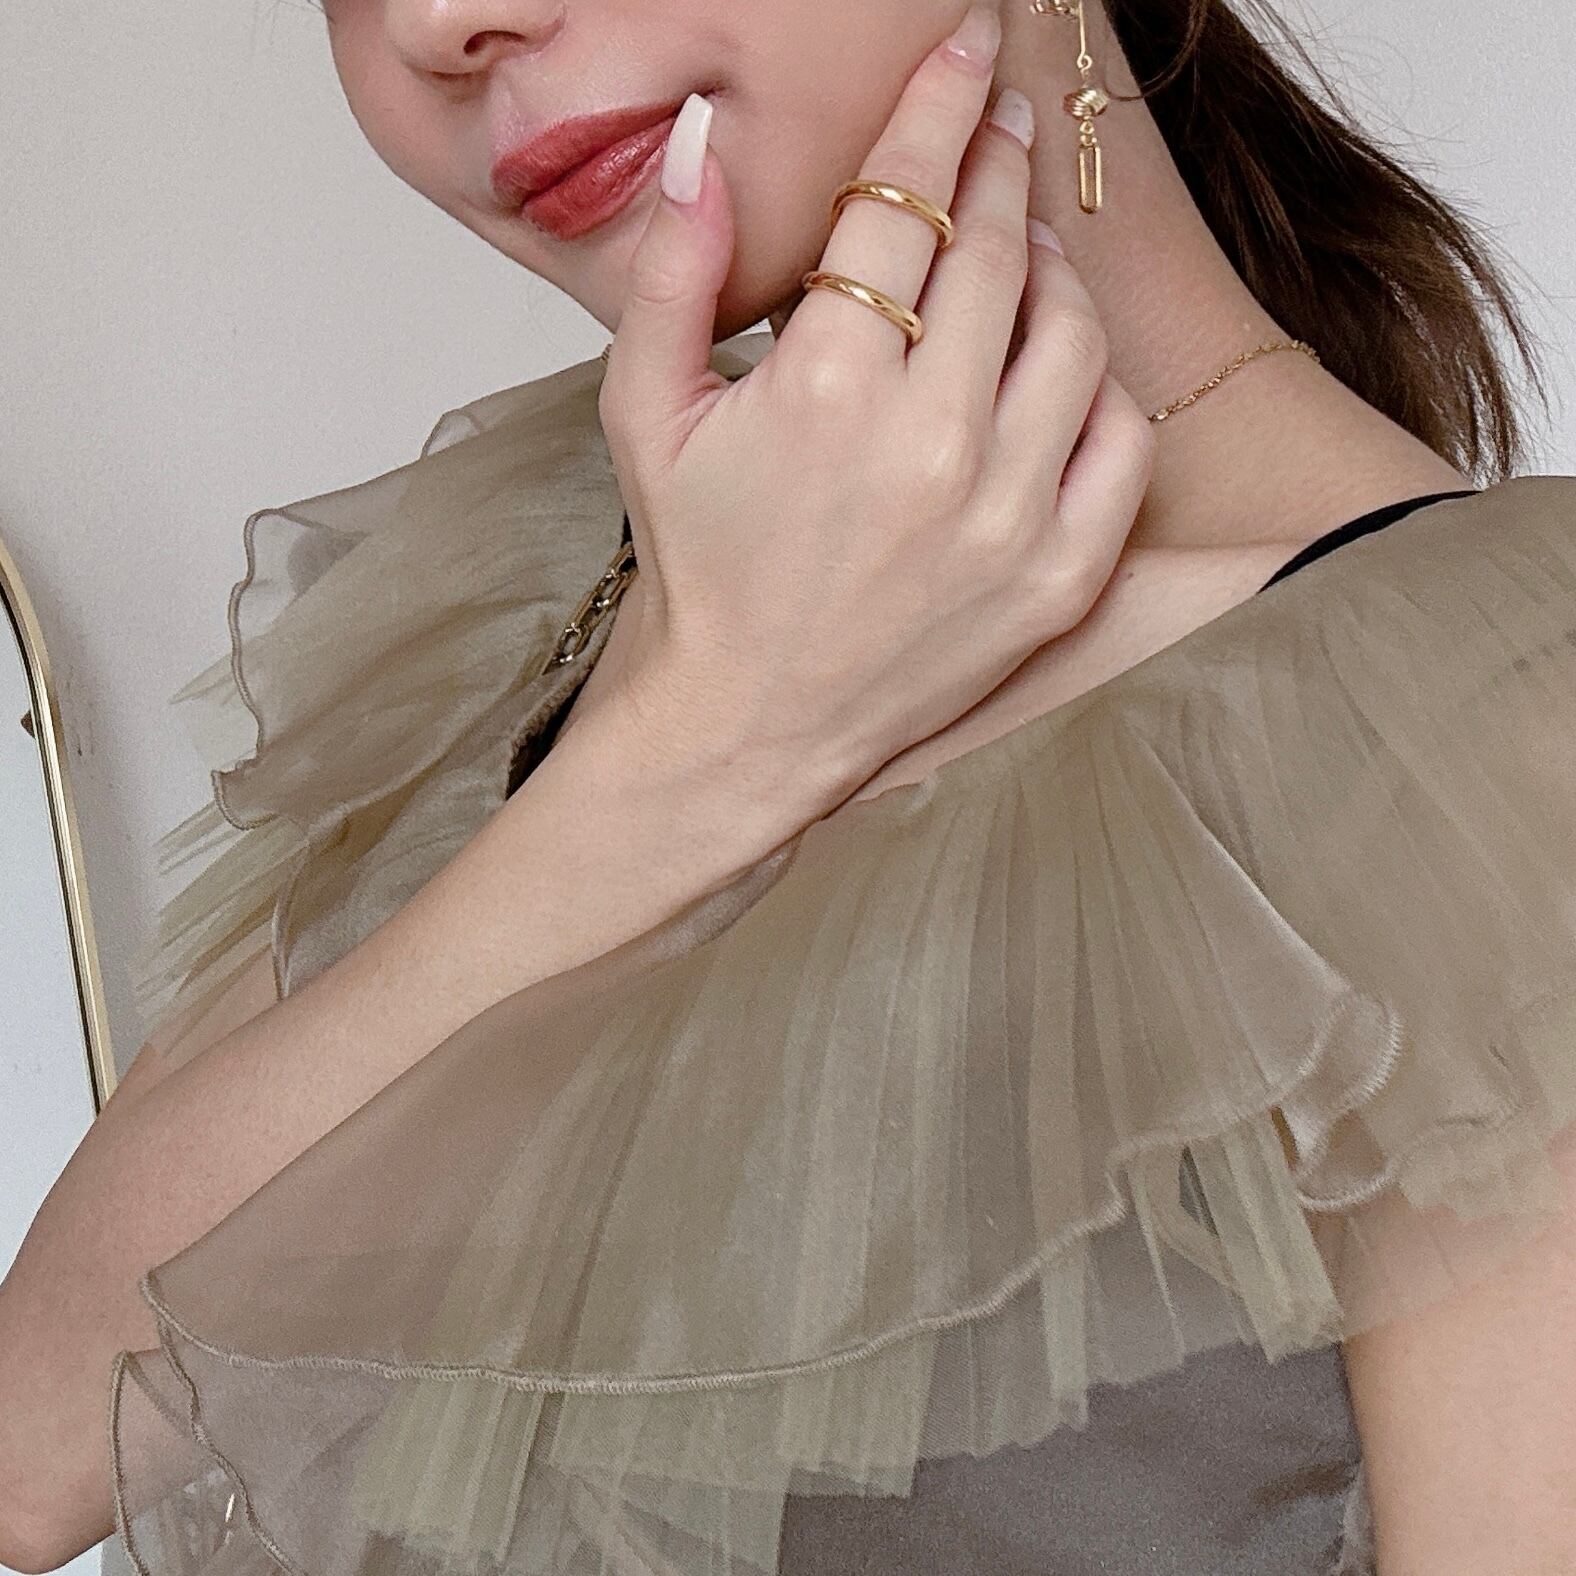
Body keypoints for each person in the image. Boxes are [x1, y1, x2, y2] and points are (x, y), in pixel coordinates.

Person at [1, 0, 1572, 1572]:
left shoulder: (1501, 736)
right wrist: (693, 747)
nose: (436, 20)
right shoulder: (588, 570)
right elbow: (37, 1452)